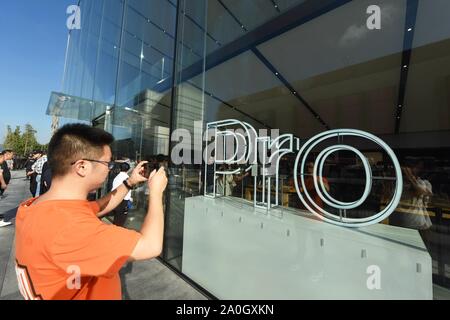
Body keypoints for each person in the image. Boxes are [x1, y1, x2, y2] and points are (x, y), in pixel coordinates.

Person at [15, 123, 167, 300]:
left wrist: (130, 182)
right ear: (82, 167)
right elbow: (151, 246)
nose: (110, 168)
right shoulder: (72, 229)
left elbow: (100, 206)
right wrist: (156, 193)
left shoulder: (36, 207)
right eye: (107, 163)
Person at [110, 162, 132, 227]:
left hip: (116, 198)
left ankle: (114, 229)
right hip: (124, 200)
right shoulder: (127, 178)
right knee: (121, 218)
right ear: (128, 169)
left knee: (117, 216)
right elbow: (128, 191)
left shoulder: (116, 177)